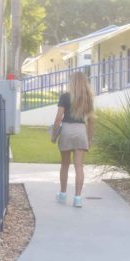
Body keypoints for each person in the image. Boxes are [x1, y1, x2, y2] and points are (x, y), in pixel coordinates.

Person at [52, 72, 94, 207]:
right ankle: (78, 198)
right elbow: (91, 120)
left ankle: (63, 195)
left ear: (72, 82)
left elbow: (58, 118)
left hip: (67, 130)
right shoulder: (88, 98)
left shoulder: (64, 97)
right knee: (79, 166)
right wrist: (89, 138)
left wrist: (54, 135)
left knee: (65, 165)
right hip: (81, 131)